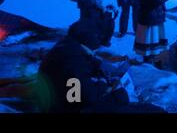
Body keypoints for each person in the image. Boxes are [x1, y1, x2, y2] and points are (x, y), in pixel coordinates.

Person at [36, 16, 165, 113]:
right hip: (67, 108)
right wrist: (106, 86)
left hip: (65, 102)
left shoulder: (68, 47)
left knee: (135, 105)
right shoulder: (71, 62)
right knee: (122, 100)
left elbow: (88, 61)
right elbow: (85, 97)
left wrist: (101, 67)